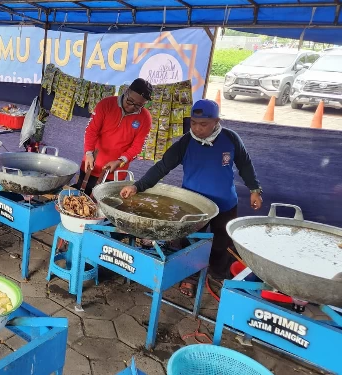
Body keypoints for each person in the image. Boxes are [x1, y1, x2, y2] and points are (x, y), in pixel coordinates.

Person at [120, 99, 263, 296]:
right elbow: (163, 167)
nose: (197, 129)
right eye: (193, 123)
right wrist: (138, 186)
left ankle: (217, 275)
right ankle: (189, 276)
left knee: (222, 242)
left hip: (226, 204)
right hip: (193, 206)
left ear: (216, 121)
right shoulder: (186, 143)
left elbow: (245, 164)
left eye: (203, 124)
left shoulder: (231, 139)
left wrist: (254, 188)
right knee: (187, 242)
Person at [73, 78, 154, 196]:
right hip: (92, 166)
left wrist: (120, 161)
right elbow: (91, 131)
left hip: (116, 173)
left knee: (104, 207)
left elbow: (138, 147)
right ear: (126, 91)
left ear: (144, 103)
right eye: (130, 101)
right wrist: (89, 153)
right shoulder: (106, 104)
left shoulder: (145, 118)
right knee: (79, 201)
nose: (132, 107)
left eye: (138, 105)